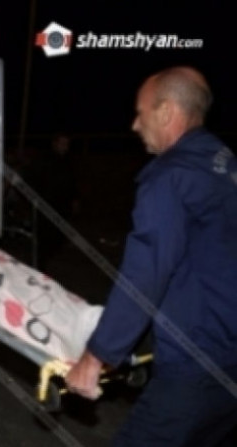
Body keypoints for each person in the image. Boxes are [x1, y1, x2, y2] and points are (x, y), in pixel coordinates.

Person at [65, 66, 237, 446]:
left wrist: (96, 357)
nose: (134, 125)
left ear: (166, 112)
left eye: (140, 113)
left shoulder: (169, 177)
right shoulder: (224, 165)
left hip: (197, 366)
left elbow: (145, 275)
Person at [26, 132, 80, 273]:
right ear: (55, 144)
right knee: (44, 236)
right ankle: (39, 266)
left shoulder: (68, 161)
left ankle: (49, 257)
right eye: (62, 143)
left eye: (67, 144)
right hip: (46, 204)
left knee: (59, 235)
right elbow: (30, 178)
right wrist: (35, 198)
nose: (65, 147)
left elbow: (72, 181)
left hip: (63, 204)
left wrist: (74, 199)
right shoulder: (43, 159)